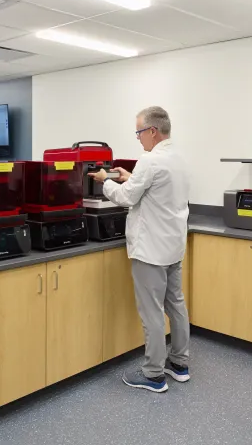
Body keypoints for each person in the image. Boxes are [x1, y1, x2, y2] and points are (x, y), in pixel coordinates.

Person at [88, 106, 190, 393]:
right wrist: (129, 175)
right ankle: (179, 365)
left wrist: (105, 181)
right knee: (176, 305)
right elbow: (155, 187)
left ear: (153, 131)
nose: (138, 138)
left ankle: (154, 374)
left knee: (152, 313)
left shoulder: (150, 160)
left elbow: (126, 197)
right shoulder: (179, 157)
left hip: (150, 250)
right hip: (173, 245)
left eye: (139, 132)